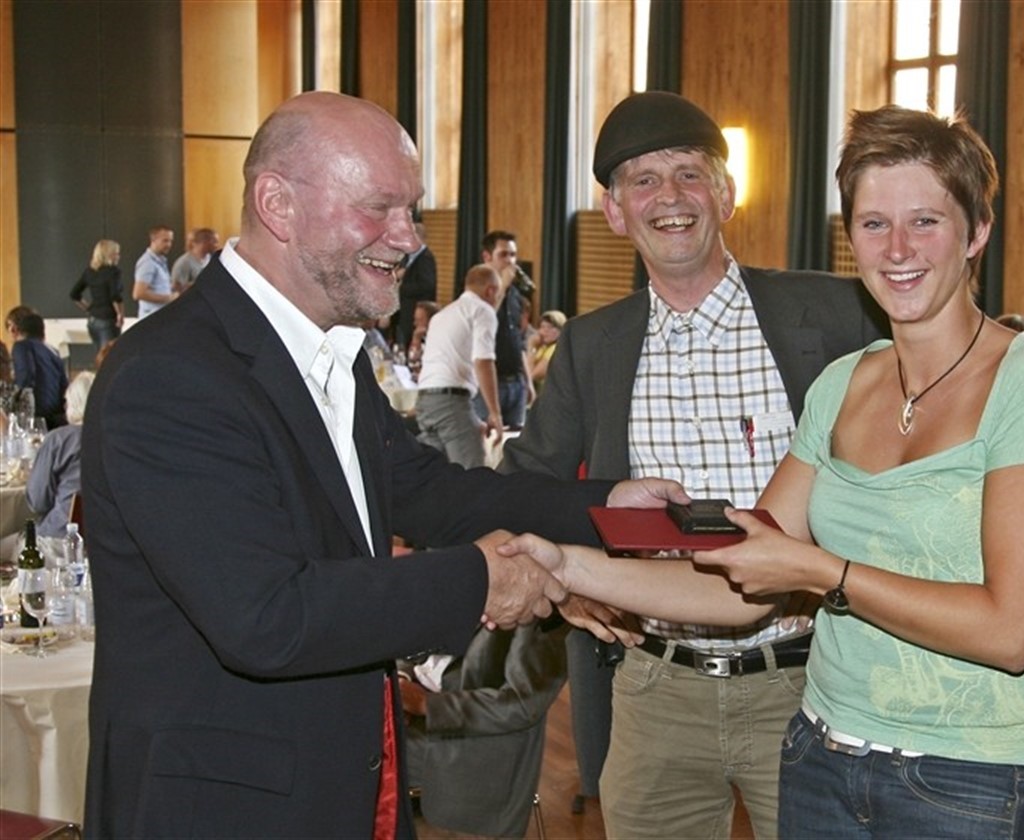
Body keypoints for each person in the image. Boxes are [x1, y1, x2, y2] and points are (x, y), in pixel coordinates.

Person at [80, 90, 683, 839]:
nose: (409, 239)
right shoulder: (171, 373)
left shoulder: (329, 352)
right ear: (278, 204)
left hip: (347, 784)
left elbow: (427, 489)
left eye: (412, 211)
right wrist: (482, 578)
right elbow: (266, 616)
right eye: (378, 209)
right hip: (224, 808)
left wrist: (606, 506)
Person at [507, 104, 1024, 839]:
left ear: (976, 231)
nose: (897, 248)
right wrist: (562, 566)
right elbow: (737, 582)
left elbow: (1013, 632)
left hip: (961, 774)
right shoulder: (844, 384)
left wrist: (821, 571)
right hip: (821, 750)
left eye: (925, 221)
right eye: (874, 224)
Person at [500, 90, 887, 838]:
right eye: (643, 181)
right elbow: (527, 486)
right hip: (656, 692)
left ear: (726, 194)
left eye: (689, 174)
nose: (669, 197)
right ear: (615, 212)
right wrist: (565, 586)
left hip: (812, 681)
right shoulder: (591, 346)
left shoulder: (837, 314)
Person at [401, 620, 568, 838]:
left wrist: (426, 704)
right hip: (422, 714)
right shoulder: (444, 599)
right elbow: (402, 642)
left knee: (358, 748)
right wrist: (400, 680)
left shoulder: (544, 615)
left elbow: (521, 706)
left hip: (475, 741)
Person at [414, 265, 503, 468]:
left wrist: (471, 420)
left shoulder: (441, 315)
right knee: (472, 476)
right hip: (451, 402)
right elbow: (483, 361)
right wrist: (495, 413)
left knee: (434, 475)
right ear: (490, 291)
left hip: (426, 401)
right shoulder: (482, 310)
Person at [476, 231, 532, 430]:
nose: (510, 261)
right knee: (488, 441)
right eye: (503, 255)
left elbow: (519, 340)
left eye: (513, 255)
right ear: (487, 257)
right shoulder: (477, 290)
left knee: (516, 441)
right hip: (490, 384)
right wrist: (503, 286)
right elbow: (483, 321)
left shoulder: (515, 295)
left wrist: (528, 381)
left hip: (516, 383)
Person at [26, 371, 93, 537]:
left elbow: (38, 503)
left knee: (5, 544)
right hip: (103, 539)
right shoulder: (115, 440)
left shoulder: (57, 440)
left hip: (60, 537)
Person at [9, 311, 69, 429]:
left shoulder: (22, 346)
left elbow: (25, 379)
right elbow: (64, 385)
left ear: (20, 331)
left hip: (35, 415)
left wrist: (14, 405)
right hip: (56, 416)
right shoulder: (54, 352)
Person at [69, 239, 125, 349]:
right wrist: (120, 314)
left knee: (100, 354)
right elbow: (115, 296)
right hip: (108, 319)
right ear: (109, 255)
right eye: (116, 253)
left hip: (93, 320)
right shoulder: (113, 272)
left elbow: (74, 294)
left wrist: (88, 308)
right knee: (110, 354)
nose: (118, 256)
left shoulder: (89, 272)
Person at [391, 219, 438, 349]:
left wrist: (401, 288)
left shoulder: (426, 258)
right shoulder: (407, 257)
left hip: (416, 312)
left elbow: (427, 285)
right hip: (404, 312)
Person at [132, 224, 176, 317]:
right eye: (165, 241)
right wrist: (169, 298)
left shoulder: (160, 261)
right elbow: (138, 293)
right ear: (153, 240)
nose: (169, 245)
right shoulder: (147, 262)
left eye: (170, 241)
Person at [170, 227, 220, 293]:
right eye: (214, 242)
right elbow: (177, 288)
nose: (217, 245)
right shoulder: (184, 262)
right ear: (204, 242)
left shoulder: (210, 259)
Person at [527, 309, 565, 393]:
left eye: (550, 327)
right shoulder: (543, 347)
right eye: (542, 327)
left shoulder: (555, 349)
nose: (544, 331)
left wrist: (531, 346)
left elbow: (531, 375)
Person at [405, 300, 439, 380]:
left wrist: (416, 339)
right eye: (415, 319)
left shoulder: (440, 341)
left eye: (419, 320)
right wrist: (416, 340)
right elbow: (412, 364)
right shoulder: (422, 337)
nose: (414, 323)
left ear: (431, 320)